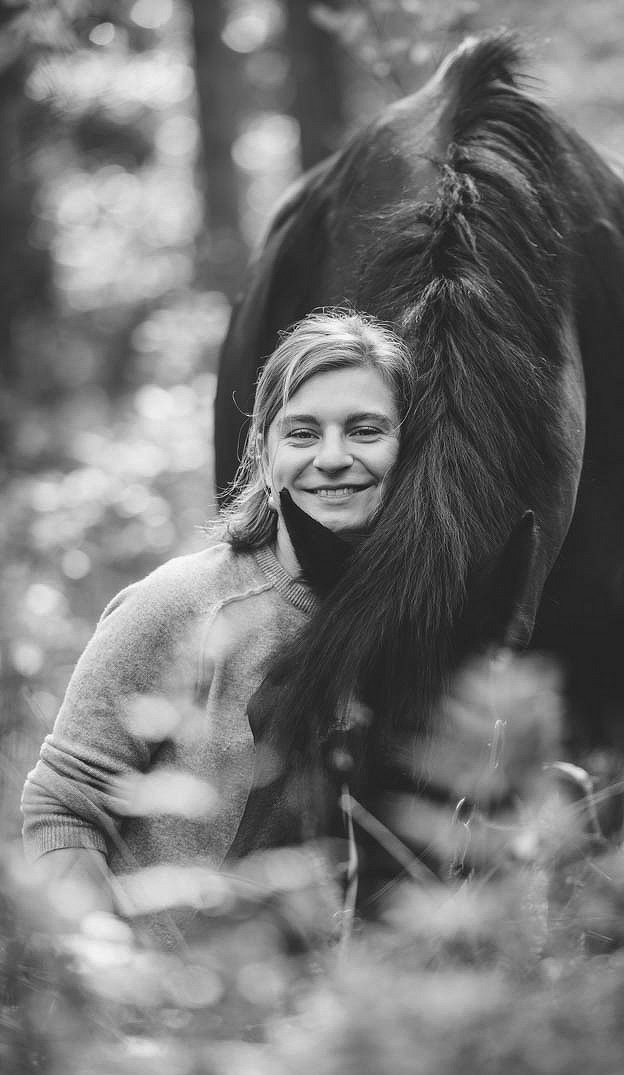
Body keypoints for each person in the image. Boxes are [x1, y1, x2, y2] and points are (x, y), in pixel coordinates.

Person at [20, 309, 415, 929]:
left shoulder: (424, 626)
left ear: (409, 451)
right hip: (178, 1007)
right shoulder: (182, 604)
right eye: (303, 433)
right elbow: (63, 806)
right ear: (262, 452)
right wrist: (115, 979)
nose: (333, 458)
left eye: (365, 430)